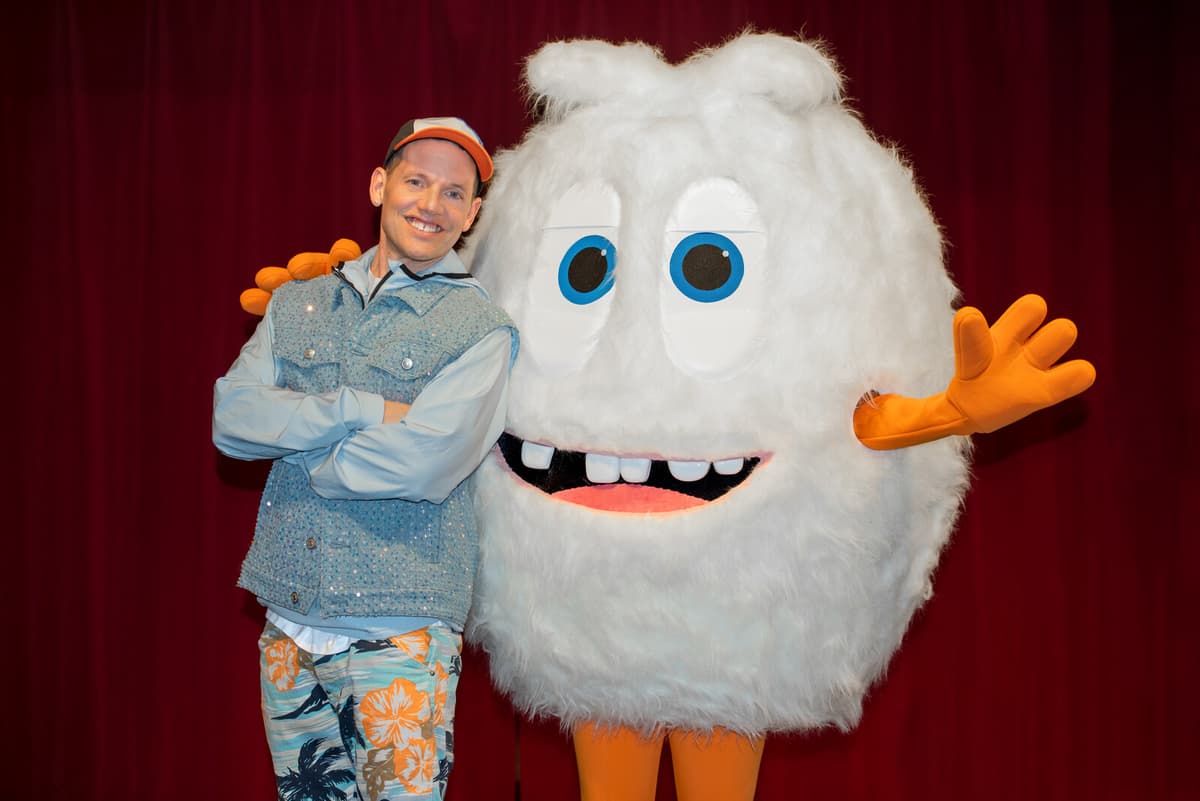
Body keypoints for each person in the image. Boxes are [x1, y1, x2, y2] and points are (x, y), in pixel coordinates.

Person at [213, 116, 517, 801]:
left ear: (471, 213)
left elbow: (421, 464)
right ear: (380, 185)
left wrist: (299, 453)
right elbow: (234, 420)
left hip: (402, 635)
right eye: (415, 180)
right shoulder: (298, 303)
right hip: (289, 625)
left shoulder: (482, 329)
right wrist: (360, 410)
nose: (429, 204)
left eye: (452, 192)